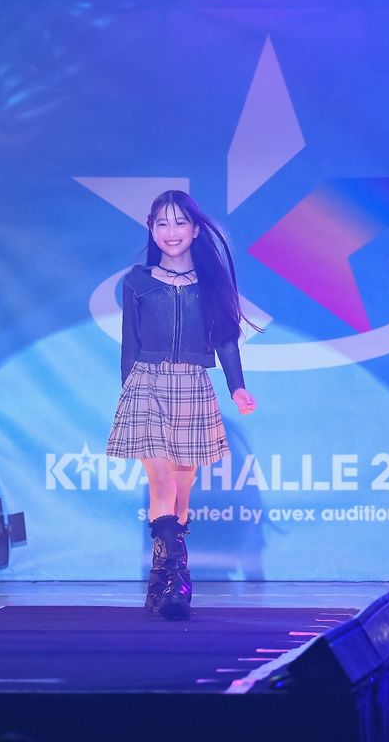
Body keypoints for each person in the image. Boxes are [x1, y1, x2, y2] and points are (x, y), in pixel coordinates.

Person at [106, 190, 258, 620]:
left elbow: (226, 340)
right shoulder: (137, 281)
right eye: (162, 223)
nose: (171, 232)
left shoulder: (212, 284)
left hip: (193, 384)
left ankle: (164, 579)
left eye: (179, 223)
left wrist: (237, 388)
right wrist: (128, 392)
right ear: (151, 229)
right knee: (162, 484)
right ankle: (177, 580)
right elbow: (129, 343)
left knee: (181, 489)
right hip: (147, 383)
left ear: (194, 230)